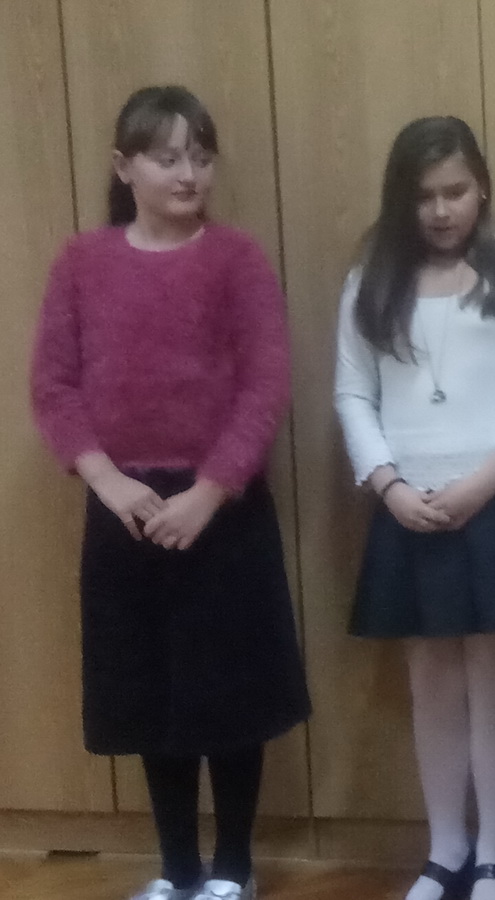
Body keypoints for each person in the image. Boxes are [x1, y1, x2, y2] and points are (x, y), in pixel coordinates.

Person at [30, 85, 309, 900]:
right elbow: (53, 386)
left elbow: (264, 386)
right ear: (125, 167)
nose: (189, 173)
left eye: (201, 157)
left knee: (231, 698)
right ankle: (178, 871)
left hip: (223, 508)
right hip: (125, 509)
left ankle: (233, 871)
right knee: (154, 700)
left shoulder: (237, 259)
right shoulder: (81, 262)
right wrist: (107, 481)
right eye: (168, 157)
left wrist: (210, 491)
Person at [334, 116, 495, 900]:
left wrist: (486, 479)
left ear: (482, 190)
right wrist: (390, 486)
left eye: (455, 192)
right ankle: (446, 850)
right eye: (423, 196)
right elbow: (353, 394)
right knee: (431, 685)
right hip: (410, 510)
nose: (440, 210)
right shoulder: (371, 279)